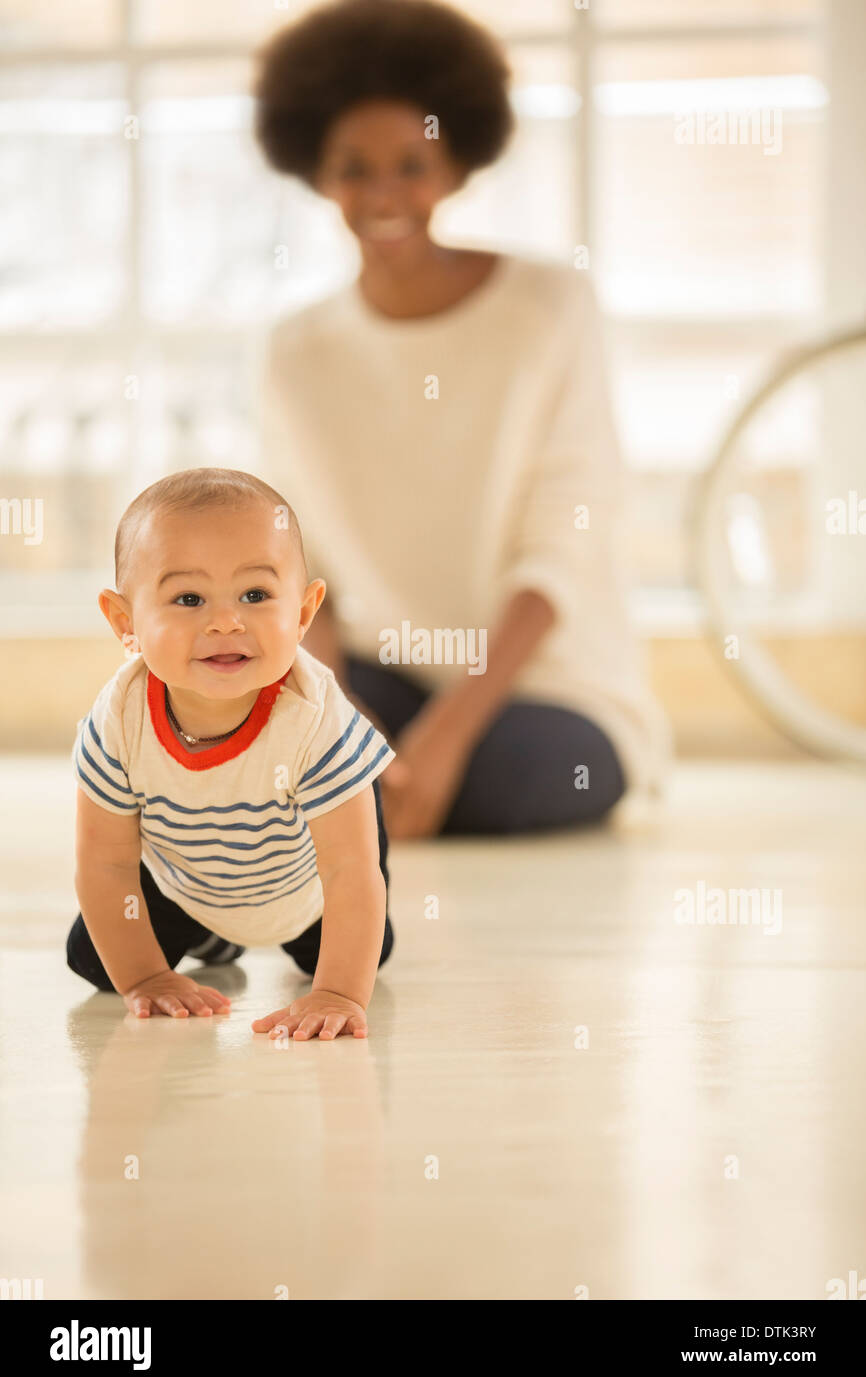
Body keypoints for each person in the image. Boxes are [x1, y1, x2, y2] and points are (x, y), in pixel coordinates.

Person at [253, 0, 671, 840]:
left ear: (454, 166)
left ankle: (389, 792)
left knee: (504, 779)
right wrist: (342, 722)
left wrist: (446, 734)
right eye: (353, 168)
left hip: (544, 687)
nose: (383, 194)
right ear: (316, 173)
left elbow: (566, 537)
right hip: (379, 673)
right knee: (232, 742)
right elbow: (298, 562)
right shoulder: (294, 350)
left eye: (411, 164)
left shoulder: (549, 308)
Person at [66, 468, 395, 1041]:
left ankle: (257, 934)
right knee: (94, 959)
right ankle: (214, 932)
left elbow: (349, 871)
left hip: (308, 885)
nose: (225, 621)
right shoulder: (120, 718)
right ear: (127, 623)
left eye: (256, 595)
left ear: (303, 611)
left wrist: (337, 992)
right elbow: (106, 865)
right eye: (188, 598)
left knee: (366, 949)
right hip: (187, 881)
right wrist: (147, 978)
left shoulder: (313, 716)